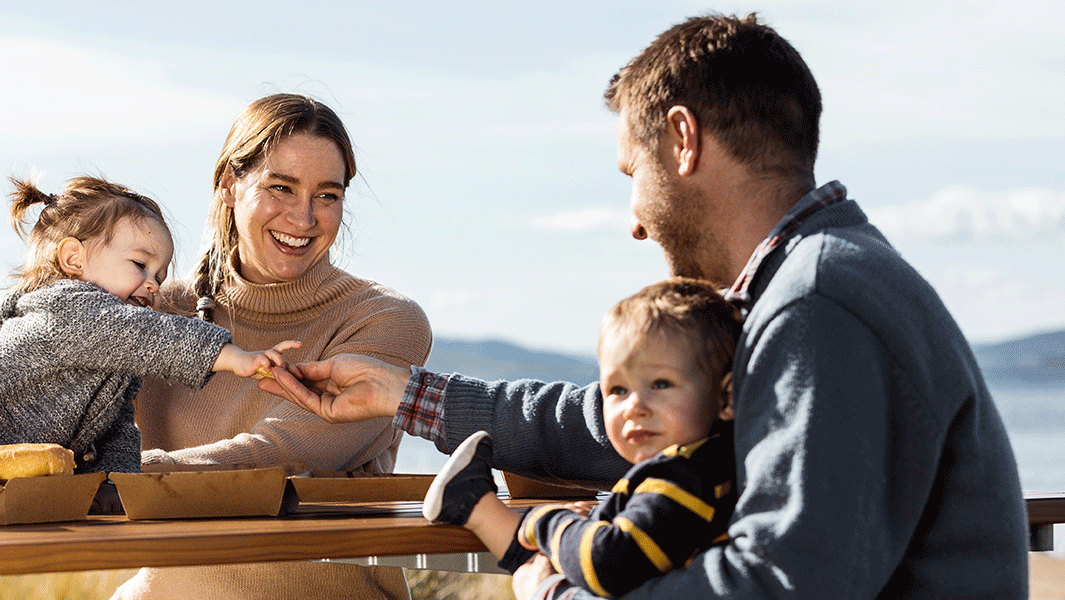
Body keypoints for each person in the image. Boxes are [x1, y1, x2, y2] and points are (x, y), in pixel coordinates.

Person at [264, 13, 1029, 599]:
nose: (634, 218)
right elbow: (602, 424)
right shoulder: (796, 292)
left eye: (633, 171)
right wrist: (406, 395)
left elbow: (784, 582)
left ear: (683, 140)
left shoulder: (818, 307)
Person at [0, 175, 298, 600]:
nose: (152, 285)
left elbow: (120, 426)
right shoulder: (73, 311)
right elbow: (150, 335)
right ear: (74, 260)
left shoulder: (110, 349)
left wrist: (114, 484)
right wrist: (235, 358)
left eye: (160, 276)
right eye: (140, 265)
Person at [111, 94, 433, 599]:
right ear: (228, 187)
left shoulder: (384, 319)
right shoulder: (154, 310)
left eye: (327, 195)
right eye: (281, 188)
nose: (304, 218)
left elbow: (279, 455)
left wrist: (115, 475)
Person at [425, 278, 740, 598]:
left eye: (660, 384)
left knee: (546, 544)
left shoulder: (685, 477)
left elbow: (610, 562)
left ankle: (474, 503)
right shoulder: (698, 467)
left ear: (725, 398)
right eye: (618, 390)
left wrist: (548, 520)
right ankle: (471, 501)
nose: (634, 407)